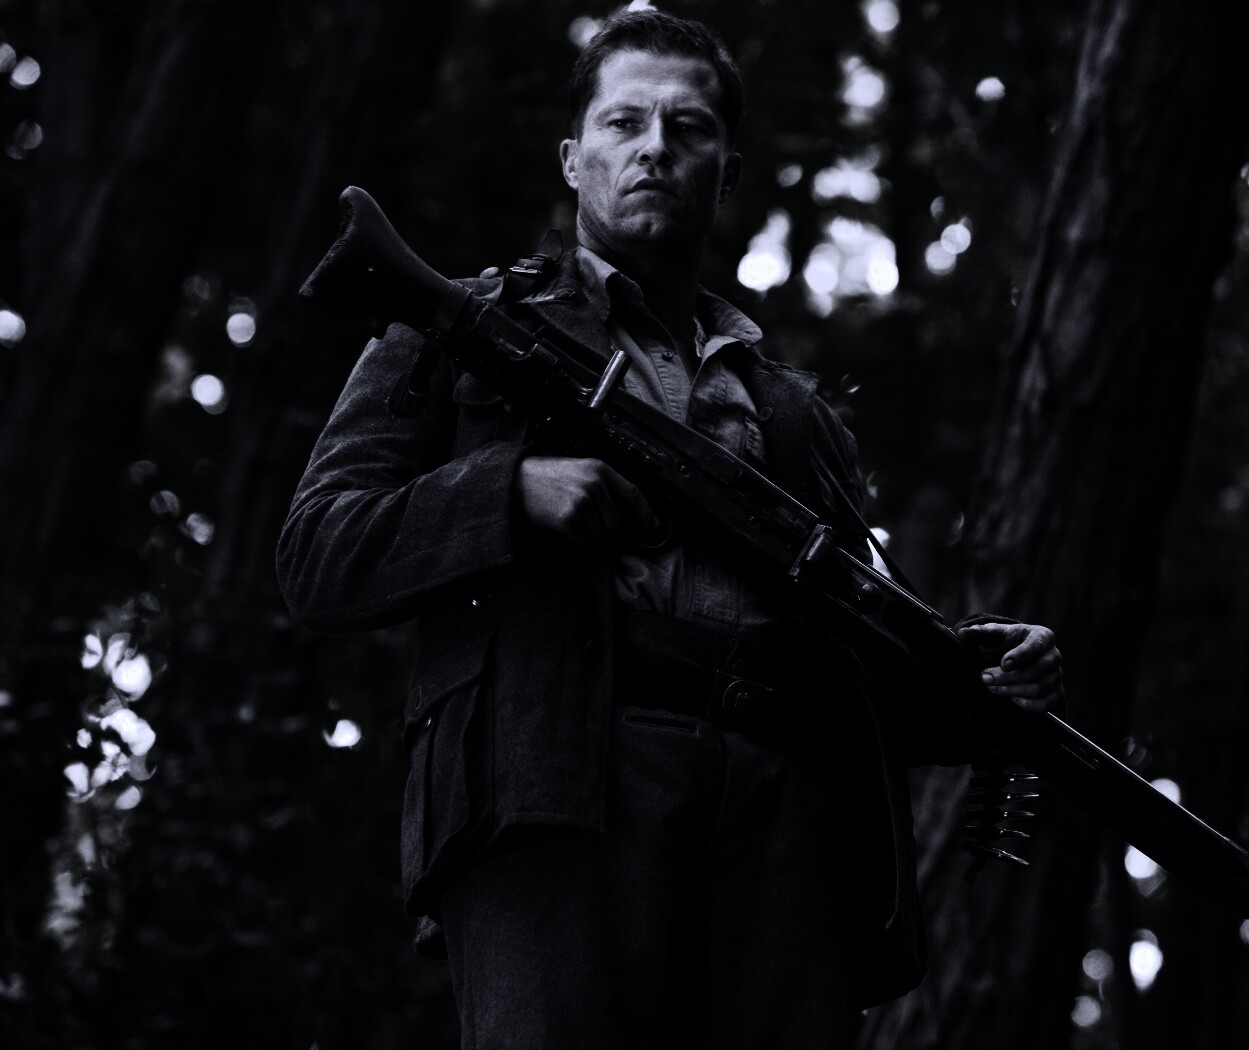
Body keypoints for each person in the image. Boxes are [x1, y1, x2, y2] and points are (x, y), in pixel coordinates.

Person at [277, 10, 1062, 1049]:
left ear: (726, 173)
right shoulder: (459, 324)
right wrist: (510, 494)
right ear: (574, 159)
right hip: (555, 786)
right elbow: (319, 551)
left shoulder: (788, 407)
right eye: (624, 122)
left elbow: (850, 654)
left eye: (687, 128)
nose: (655, 147)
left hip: (785, 818)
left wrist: (972, 685)